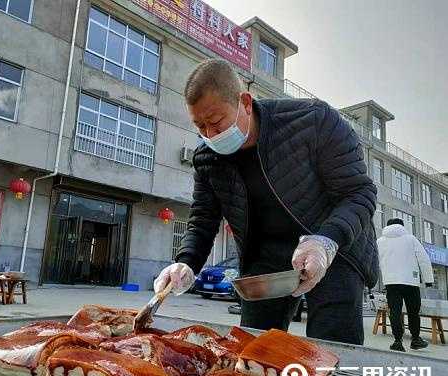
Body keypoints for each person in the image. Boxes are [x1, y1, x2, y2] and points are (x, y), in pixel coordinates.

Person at [153, 59, 379, 345]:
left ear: (245, 102)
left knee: (332, 346)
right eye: (200, 127)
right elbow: (203, 220)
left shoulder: (313, 121)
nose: (210, 135)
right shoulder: (207, 159)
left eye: (216, 122)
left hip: (332, 247)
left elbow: (359, 192)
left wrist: (326, 241)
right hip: (265, 258)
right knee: (253, 345)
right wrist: (185, 263)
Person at [377, 218, 434, 352]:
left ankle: (397, 342)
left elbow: (374, 261)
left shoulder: (380, 242)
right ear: (402, 226)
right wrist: (428, 279)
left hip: (391, 283)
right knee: (413, 312)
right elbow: (423, 259)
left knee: (395, 312)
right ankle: (415, 340)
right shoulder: (411, 239)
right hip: (411, 282)